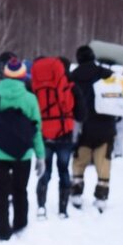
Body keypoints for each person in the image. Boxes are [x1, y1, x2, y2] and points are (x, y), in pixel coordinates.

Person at [0, 57, 46, 240]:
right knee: (20, 190)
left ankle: (2, 229)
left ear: (5, 76)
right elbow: (36, 130)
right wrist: (40, 156)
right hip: (22, 154)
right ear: (23, 77)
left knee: (0, 192)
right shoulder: (30, 99)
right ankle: (20, 224)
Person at [30, 55, 85, 219]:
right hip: (64, 135)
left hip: (43, 134)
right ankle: (62, 210)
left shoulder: (35, 86)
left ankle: (41, 207)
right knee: (63, 170)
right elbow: (81, 114)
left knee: (44, 171)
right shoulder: (71, 87)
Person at [68, 44, 119, 212]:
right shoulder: (106, 74)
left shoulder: (73, 76)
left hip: (83, 127)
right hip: (106, 126)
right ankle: (101, 197)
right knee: (103, 162)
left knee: (79, 161)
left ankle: (76, 193)